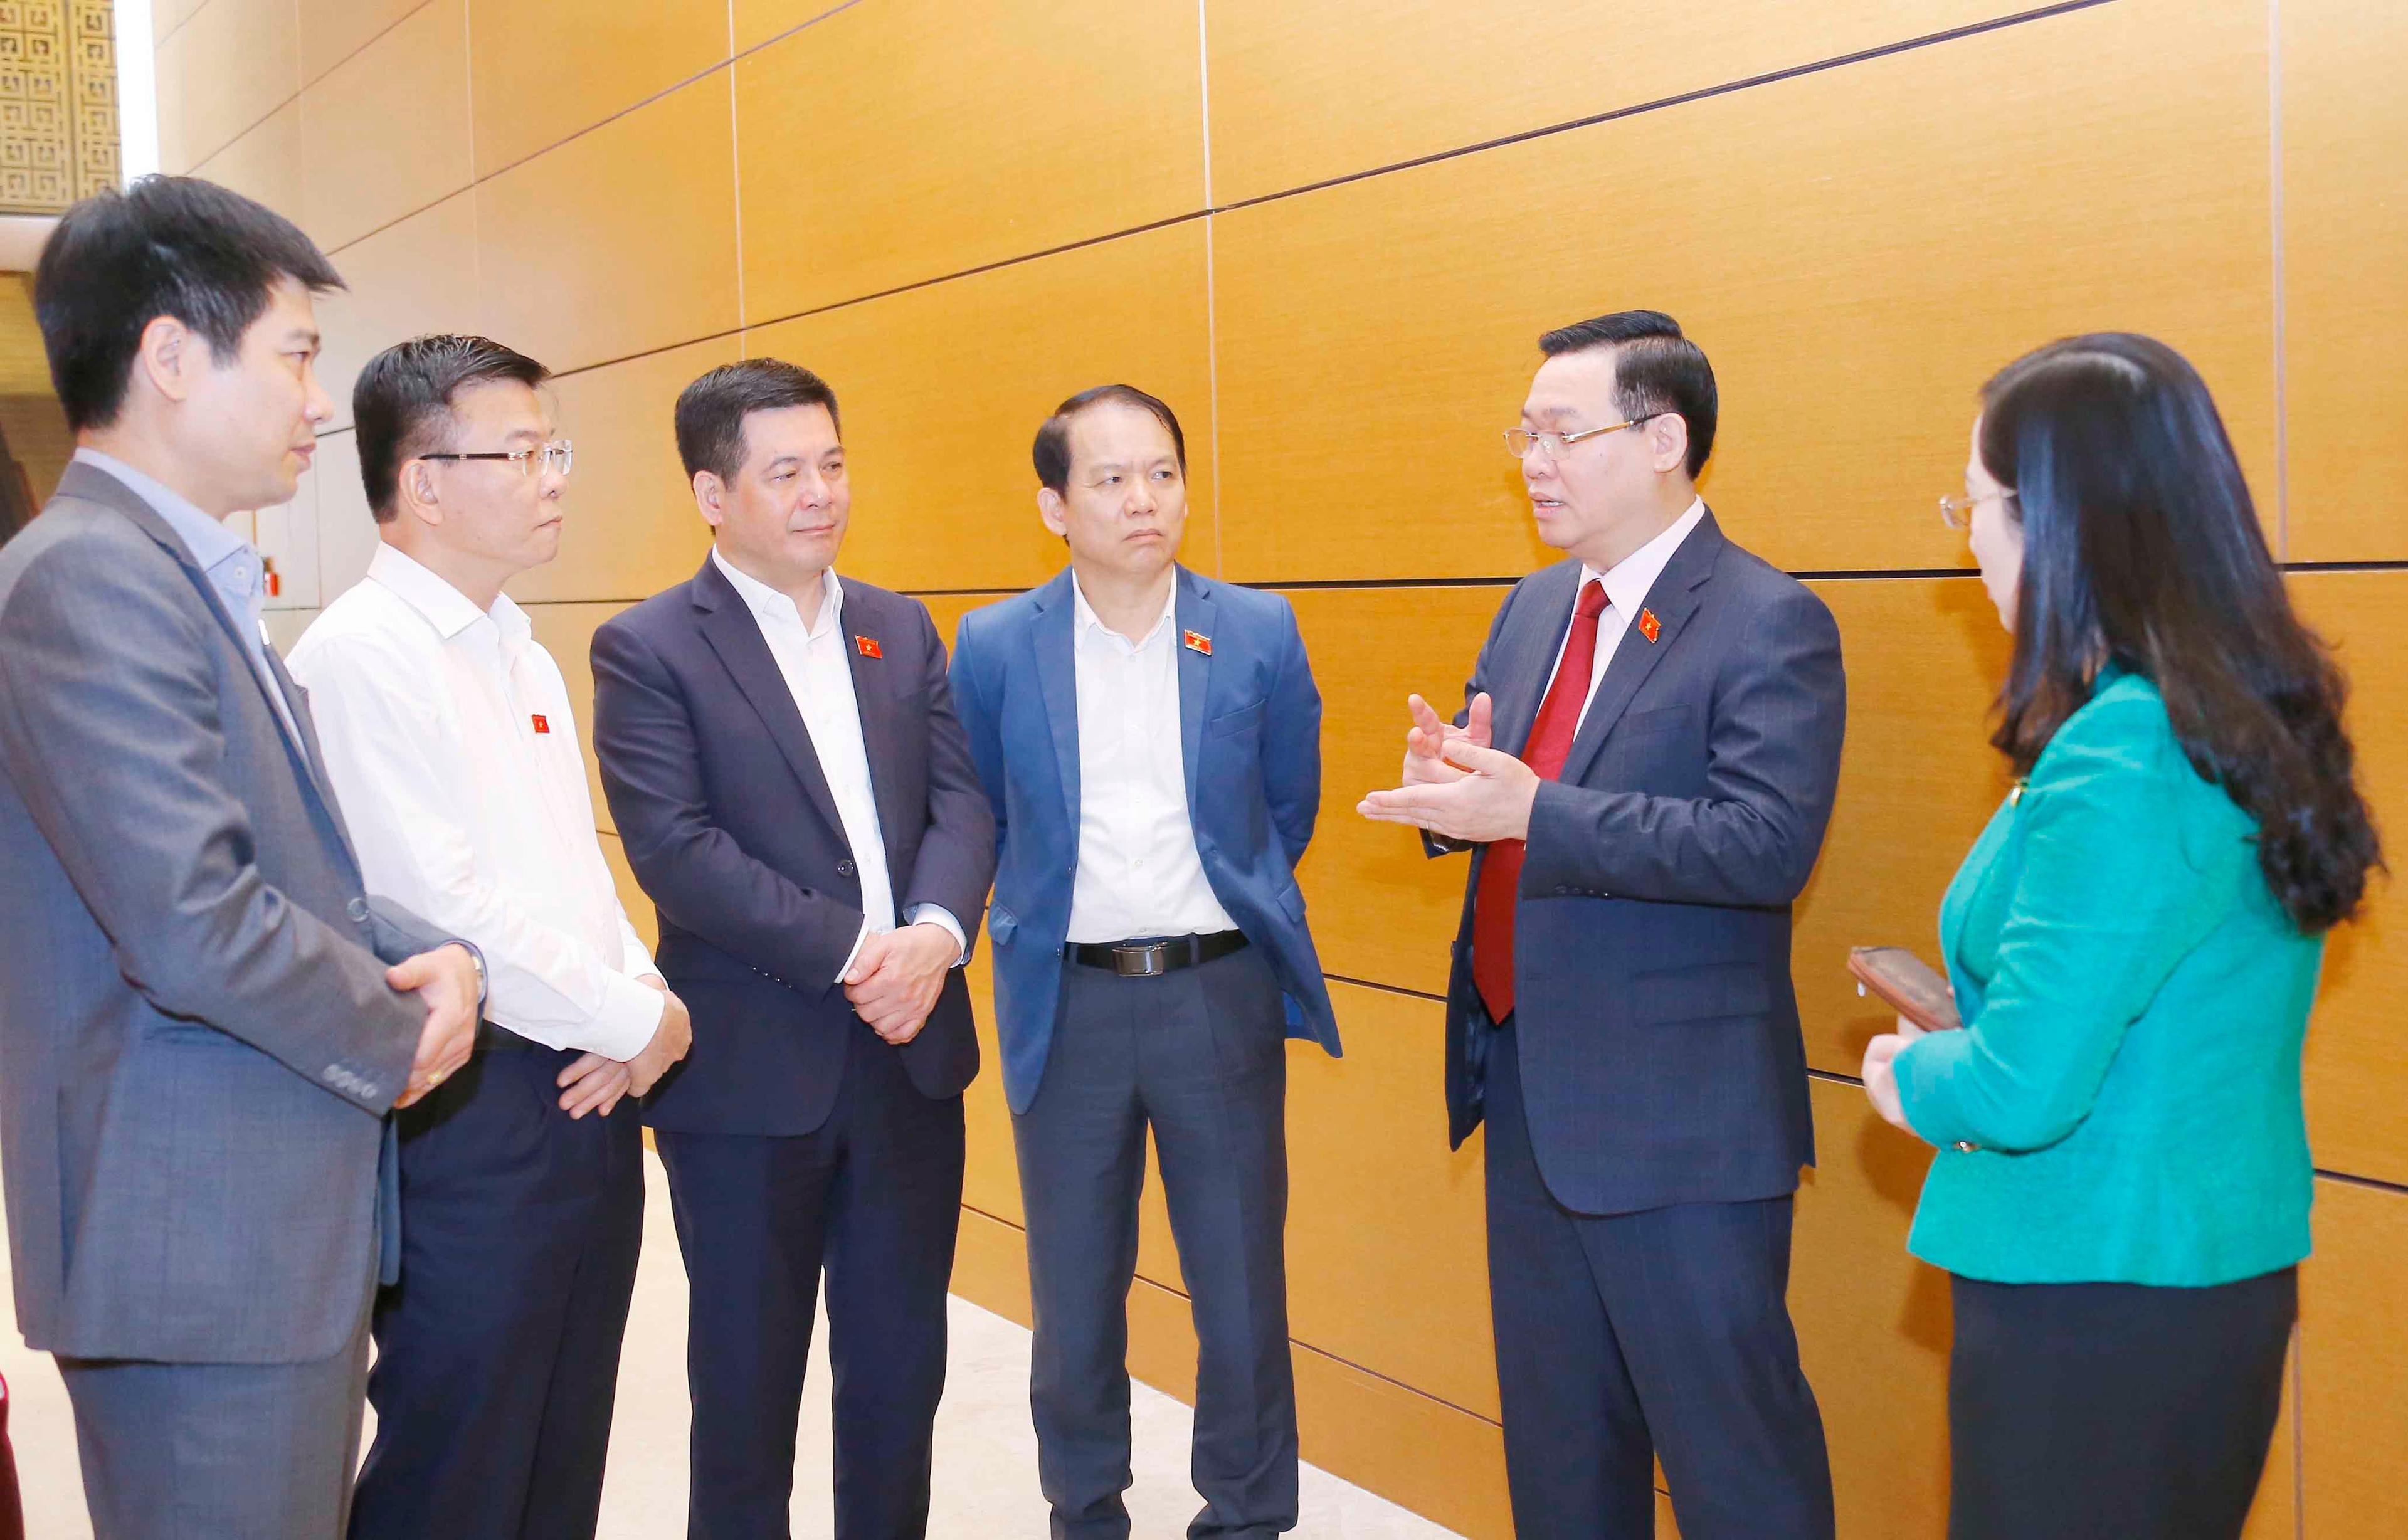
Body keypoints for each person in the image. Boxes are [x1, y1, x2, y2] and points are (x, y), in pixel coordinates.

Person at [0, 176, 483, 1539]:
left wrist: (438, 957)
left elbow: (283, 869)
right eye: (295, 356)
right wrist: (399, 1027)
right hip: (198, 1246)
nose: (318, 405)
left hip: (248, 1234)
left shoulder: (172, 571)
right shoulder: (90, 577)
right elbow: (191, 918)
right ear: (169, 356)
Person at [1859, 333, 2382, 1540]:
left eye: (1977, 506)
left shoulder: (2128, 747)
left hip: (2097, 1287)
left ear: (2060, 521)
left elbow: (2023, 1086)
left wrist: (1912, 1076)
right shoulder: (2204, 717)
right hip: (2178, 1277)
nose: (1969, 540)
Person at [1360, 311, 1842, 1539]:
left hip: (1684, 1128)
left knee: (1738, 1472)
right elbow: (1516, 799)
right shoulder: (1536, 607)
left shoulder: (1767, 618)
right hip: (1531, 1096)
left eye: (1562, 434)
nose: (1533, 462)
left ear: (1664, 440)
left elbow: (1765, 845)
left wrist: (1535, 809)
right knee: (1564, 1468)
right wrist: (1455, 797)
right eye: (1524, 435)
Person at [287, 334, 694, 1540]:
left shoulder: (515, 642)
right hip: (465, 1112)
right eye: (521, 454)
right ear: (423, 483)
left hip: (581, 1086)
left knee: (560, 1452)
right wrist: (632, 1016)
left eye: (554, 451)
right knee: (459, 1458)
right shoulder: (360, 656)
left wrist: (645, 1006)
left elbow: (574, 870)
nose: (554, 478)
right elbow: (439, 907)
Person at [591, 359, 993, 1540]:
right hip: (750, 1077)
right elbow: (678, 851)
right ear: (712, 494)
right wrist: (868, 956)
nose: (822, 492)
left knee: (899, 1377)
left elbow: (963, 803)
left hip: (910, 1063)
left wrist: (935, 936)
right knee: (745, 1392)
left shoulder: (897, 626)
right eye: (787, 472)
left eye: (833, 463)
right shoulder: (648, 647)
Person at [949, 384, 1340, 1539]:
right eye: (1112, 479)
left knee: (1240, 1287)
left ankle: (1247, 1516)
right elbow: (982, 813)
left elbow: (1285, 807)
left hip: (1217, 992)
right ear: (1055, 506)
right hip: (1067, 1001)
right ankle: (1085, 1512)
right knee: (1074, 1295)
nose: (1143, 500)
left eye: (1162, 473)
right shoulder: (995, 645)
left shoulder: (1257, 628)